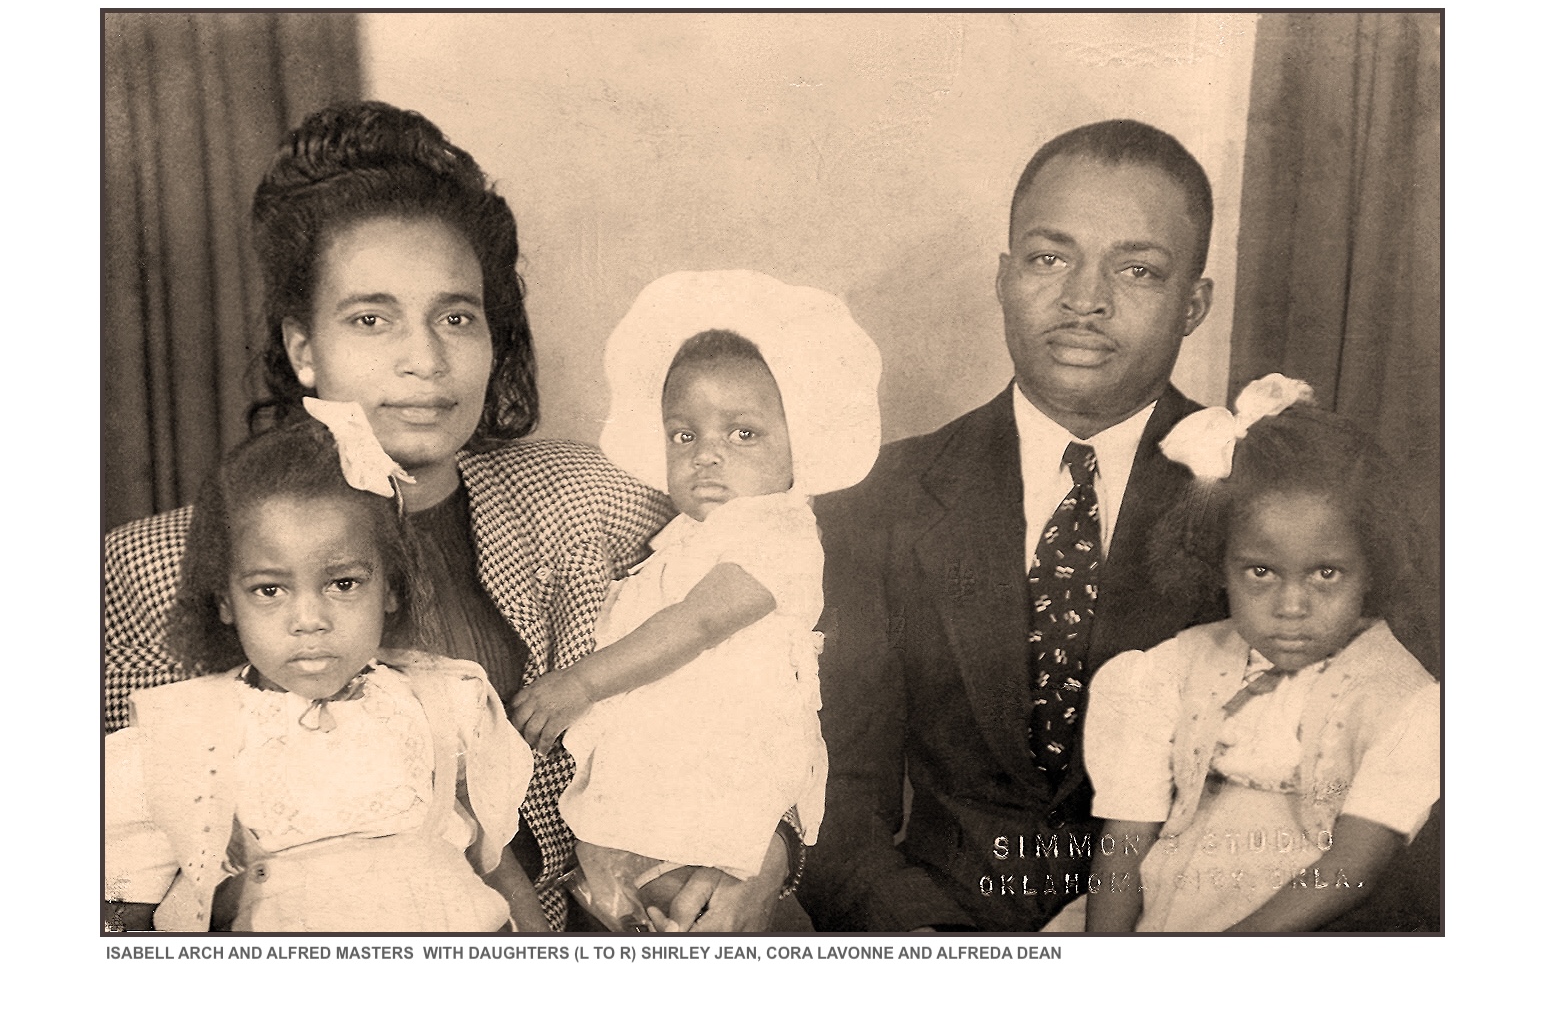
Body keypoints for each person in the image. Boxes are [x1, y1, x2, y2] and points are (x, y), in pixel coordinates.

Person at [103, 101, 795, 931]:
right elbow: (123, 885)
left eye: (455, 316)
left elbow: (773, 661)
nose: (426, 359)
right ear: (303, 348)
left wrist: (769, 850)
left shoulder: (592, 499)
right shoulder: (150, 570)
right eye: (371, 317)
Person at [804, 119, 1228, 932]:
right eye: (1049, 257)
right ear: (1002, 277)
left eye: (1136, 269)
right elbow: (835, 787)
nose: (1083, 299)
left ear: (1194, 304)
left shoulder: (1263, 498)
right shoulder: (874, 496)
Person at [510, 271, 882, 931]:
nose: (706, 455)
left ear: (799, 447)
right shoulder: (677, 536)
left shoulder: (779, 530)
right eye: (684, 435)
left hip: (714, 795)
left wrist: (580, 681)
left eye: (742, 434)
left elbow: (699, 620)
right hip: (645, 809)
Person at [104, 408, 543, 932]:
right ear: (225, 600)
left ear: (391, 590)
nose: (309, 621)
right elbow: (122, 913)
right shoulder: (182, 733)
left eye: (343, 584)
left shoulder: (445, 700)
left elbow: (495, 868)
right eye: (270, 590)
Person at [1066, 375, 1439, 932]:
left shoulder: (1405, 700)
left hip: (1301, 922)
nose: (1292, 606)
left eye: (1326, 573)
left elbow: (1355, 863)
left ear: (1370, 571)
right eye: (1260, 572)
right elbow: (1126, 834)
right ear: (1222, 566)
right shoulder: (1173, 669)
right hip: (1165, 906)